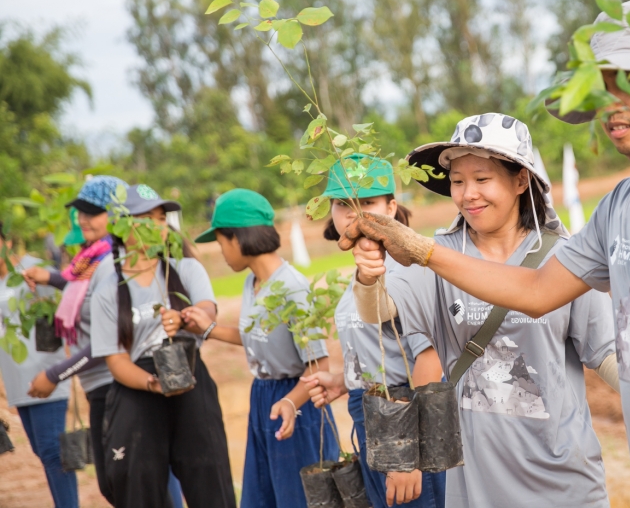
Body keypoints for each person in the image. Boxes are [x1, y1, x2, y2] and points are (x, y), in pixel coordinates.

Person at [341, 2, 630, 507]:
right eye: (602, 91)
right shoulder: (619, 206)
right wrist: (420, 250)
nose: (612, 106)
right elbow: (537, 290)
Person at [347, 117, 619, 508]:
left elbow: (605, 353)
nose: (468, 194)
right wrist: (368, 277)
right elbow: (379, 311)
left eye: (482, 179)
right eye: (457, 181)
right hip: (476, 485)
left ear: (521, 180)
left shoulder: (562, 257)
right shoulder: (436, 257)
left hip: (565, 481)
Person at [176, 188, 338, 508]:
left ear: (238, 239)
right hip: (264, 396)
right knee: (263, 496)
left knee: (298, 498)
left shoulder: (292, 287)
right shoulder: (252, 283)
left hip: (297, 401)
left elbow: (318, 365)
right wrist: (207, 329)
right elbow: (258, 334)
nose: (222, 253)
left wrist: (290, 402)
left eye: (221, 243)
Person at [300, 155, 447, 508]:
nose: (355, 213)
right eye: (343, 203)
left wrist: (407, 453)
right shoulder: (363, 275)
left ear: (391, 208)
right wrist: (344, 381)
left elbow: (430, 360)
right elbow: (386, 353)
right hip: (370, 414)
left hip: (403, 417)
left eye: (367, 202)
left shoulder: (406, 270)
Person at [90, 184, 235, 507]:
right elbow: (116, 361)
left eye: (160, 218)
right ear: (121, 227)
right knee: (138, 483)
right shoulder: (108, 289)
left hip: (190, 376)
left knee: (209, 476)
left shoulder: (184, 267)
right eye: (147, 218)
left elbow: (208, 310)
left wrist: (185, 319)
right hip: (138, 387)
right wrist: (152, 383)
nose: (157, 225)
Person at [23, 175, 128, 504]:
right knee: (116, 485)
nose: (83, 219)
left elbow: (108, 341)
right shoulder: (90, 260)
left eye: (92, 212)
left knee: (129, 484)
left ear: (117, 215)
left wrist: (56, 374)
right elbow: (81, 292)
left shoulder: (111, 263)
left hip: (116, 386)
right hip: (99, 386)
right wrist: (50, 277)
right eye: (81, 211)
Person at [0, 221, 77, 507]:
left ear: (7, 242)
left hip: (45, 376)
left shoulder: (34, 269)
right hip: (17, 383)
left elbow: (68, 304)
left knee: (53, 452)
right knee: (43, 453)